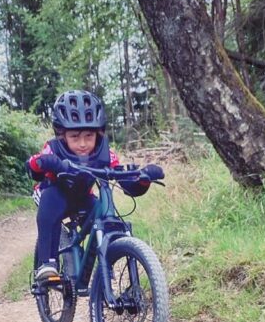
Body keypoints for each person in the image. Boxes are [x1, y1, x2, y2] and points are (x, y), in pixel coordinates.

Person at [27, 89, 163, 280]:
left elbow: (124, 179)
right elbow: (35, 165)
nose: (83, 143)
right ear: (61, 134)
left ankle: (101, 269)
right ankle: (47, 263)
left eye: (89, 136)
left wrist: (142, 179)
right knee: (50, 210)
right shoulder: (53, 147)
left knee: (105, 219)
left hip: (83, 197)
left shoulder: (104, 152)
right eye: (75, 137)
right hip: (54, 192)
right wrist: (42, 163)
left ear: (98, 134)